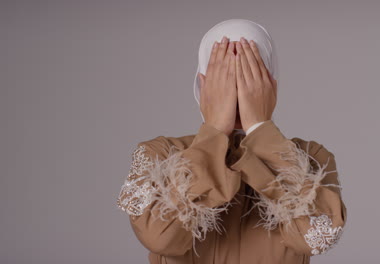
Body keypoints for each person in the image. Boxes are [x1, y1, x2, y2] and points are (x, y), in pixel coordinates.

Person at [116, 19, 347, 264]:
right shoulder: (157, 154)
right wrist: (214, 131)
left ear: (271, 86)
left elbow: (318, 238)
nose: (237, 91)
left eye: (251, 75)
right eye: (224, 77)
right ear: (203, 84)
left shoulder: (311, 158)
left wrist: (260, 128)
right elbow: (160, 238)